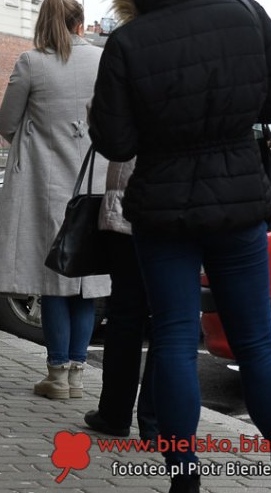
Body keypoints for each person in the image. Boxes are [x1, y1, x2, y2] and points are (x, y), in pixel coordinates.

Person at [88, 0, 271, 493]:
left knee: (177, 338)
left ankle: (184, 479)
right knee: (257, 341)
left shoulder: (129, 41)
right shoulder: (247, 16)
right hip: (238, 199)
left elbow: (116, 141)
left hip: (162, 209)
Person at [0, 0, 109, 400]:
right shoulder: (101, 60)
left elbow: (7, 121)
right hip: (94, 180)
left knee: (54, 278)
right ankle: (77, 373)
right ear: (81, 24)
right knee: (88, 279)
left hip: (47, 182)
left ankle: (56, 374)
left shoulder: (31, 63)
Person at [83, 158, 157, 442]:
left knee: (126, 317)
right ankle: (156, 422)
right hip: (182, 207)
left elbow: (107, 134)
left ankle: (114, 414)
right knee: (169, 320)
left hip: (132, 206)